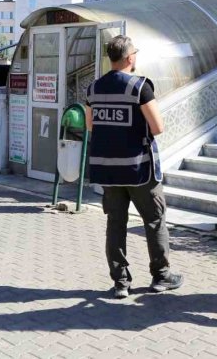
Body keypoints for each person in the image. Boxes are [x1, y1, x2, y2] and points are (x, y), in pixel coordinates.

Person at [84, 35, 184, 299]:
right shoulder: (140, 87)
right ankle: (161, 277)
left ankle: (121, 283)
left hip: (108, 170)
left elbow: (90, 125)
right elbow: (158, 127)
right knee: (154, 220)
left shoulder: (93, 88)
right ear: (130, 58)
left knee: (115, 223)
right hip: (139, 170)